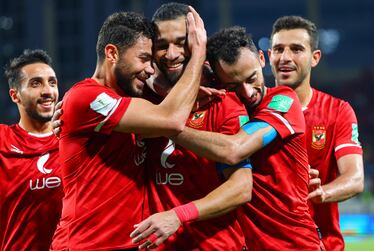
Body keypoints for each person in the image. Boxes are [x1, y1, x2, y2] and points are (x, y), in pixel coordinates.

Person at [132, 26, 322, 251]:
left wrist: (165, 126)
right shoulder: (228, 109)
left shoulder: (282, 100)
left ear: (261, 58)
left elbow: (234, 150)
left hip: (294, 244)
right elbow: (160, 77)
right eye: (233, 85)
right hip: (249, 244)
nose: (248, 92)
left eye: (252, 79)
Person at [50, 9, 206, 251]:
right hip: (86, 245)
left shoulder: (130, 99)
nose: (151, 69)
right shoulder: (86, 97)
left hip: (129, 244)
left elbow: (159, 93)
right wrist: (198, 53)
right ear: (112, 53)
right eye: (144, 58)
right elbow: (172, 119)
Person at [136, 3, 248, 250]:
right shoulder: (141, 99)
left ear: (196, 44)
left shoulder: (222, 101)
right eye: (162, 45)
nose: (172, 54)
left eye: (181, 43)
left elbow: (241, 188)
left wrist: (178, 215)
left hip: (217, 245)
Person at [268, 15, 364, 251]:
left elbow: (355, 178)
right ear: (269, 55)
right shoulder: (252, 109)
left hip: (319, 244)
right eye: (278, 49)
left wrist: (323, 192)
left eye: (296, 49)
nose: (285, 57)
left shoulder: (337, 111)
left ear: (315, 58)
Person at [0, 49, 63, 251]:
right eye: (36, 83)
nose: (48, 91)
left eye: (52, 83)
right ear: (15, 95)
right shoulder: (2, 140)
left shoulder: (76, 141)